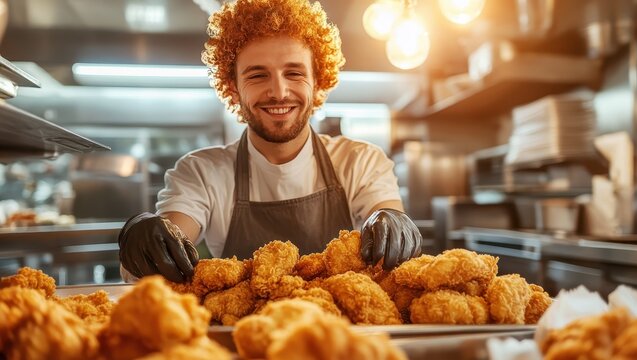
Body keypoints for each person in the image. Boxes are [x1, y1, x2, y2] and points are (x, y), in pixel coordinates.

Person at [118, 0, 422, 283]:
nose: (278, 91)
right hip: (241, 337)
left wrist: (393, 222)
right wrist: (147, 239)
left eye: (294, 73)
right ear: (233, 89)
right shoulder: (202, 171)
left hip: (344, 336)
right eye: (257, 76)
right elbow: (160, 255)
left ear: (318, 83)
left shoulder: (361, 161)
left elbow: (389, 228)